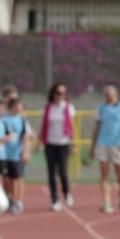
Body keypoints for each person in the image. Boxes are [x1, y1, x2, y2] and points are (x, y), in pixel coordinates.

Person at [88, 84, 120, 214]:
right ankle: (106, 202)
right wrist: (92, 146)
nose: (108, 96)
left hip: (118, 144)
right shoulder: (101, 109)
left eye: (110, 93)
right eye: (106, 94)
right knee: (104, 175)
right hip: (103, 143)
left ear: (116, 94)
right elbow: (97, 128)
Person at [40, 83, 76, 212]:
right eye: (59, 93)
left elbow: (72, 126)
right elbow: (43, 125)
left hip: (63, 143)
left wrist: (74, 142)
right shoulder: (47, 108)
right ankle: (54, 199)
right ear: (53, 94)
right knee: (51, 174)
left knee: (62, 172)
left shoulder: (68, 107)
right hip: (50, 143)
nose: (61, 96)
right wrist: (40, 141)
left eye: (63, 93)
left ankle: (67, 193)